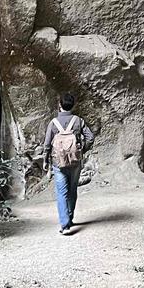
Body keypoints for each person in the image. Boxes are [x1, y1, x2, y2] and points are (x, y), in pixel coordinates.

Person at [43, 92, 95, 235]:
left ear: (59, 105)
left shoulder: (53, 123)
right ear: (73, 105)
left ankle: (65, 224)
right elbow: (90, 137)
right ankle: (70, 217)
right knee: (72, 190)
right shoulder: (78, 121)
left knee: (61, 192)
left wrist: (45, 161)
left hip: (58, 163)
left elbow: (47, 145)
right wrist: (81, 150)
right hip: (75, 162)